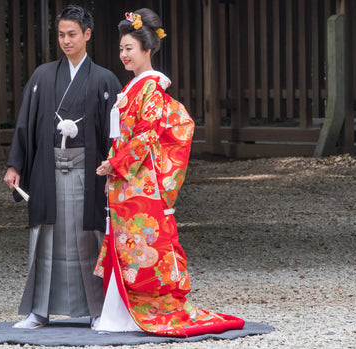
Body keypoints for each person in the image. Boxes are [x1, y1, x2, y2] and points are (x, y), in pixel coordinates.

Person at [93, 8, 245, 337]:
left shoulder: (150, 89)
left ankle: (144, 311)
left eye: (129, 48)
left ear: (147, 50)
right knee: (126, 246)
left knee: (143, 247)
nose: (123, 55)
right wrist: (113, 162)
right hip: (125, 182)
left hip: (140, 183)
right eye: (121, 49)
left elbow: (146, 135)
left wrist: (115, 163)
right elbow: (123, 136)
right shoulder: (133, 88)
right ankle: (118, 314)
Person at [3, 5, 121, 329]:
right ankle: (39, 311)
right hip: (48, 171)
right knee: (45, 238)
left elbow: (117, 133)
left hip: (89, 172)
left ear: (87, 35)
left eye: (72, 34)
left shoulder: (104, 79)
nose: (66, 41)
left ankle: (99, 310)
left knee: (90, 237)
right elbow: (25, 125)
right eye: (61, 35)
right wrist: (15, 165)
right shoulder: (42, 77)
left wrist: (116, 165)